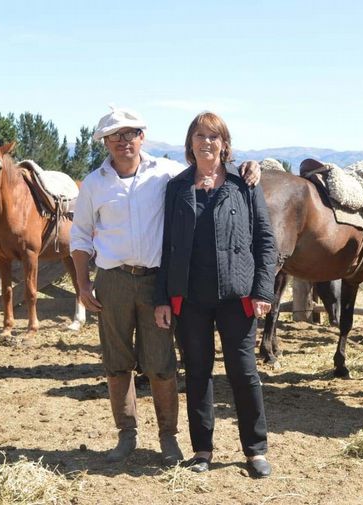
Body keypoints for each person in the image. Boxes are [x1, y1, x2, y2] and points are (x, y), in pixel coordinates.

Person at [70, 107, 260, 466]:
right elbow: (79, 235)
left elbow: (211, 168)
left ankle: (168, 438)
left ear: (143, 137)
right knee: (116, 361)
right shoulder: (94, 184)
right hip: (112, 280)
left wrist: (250, 166)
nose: (123, 141)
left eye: (130, 134)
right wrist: (82, 283)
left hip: (156, 281)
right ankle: (126, 434)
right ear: (105, 142)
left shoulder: (168, 175)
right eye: (115, 136)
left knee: (161, 362)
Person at [154, 111, 277, 479]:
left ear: (224, 144)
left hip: (236, 297)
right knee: (197, 374)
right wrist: (163, 297)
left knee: (244, 373)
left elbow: (266, 242)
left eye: (213, 136)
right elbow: (167, 246)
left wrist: (262, 290)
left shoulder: (245, 184)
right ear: (190, 143)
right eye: (199, 135)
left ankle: (255, 449)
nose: (206, 142)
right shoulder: (176, 188)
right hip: (190, 298)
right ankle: (202, 450)